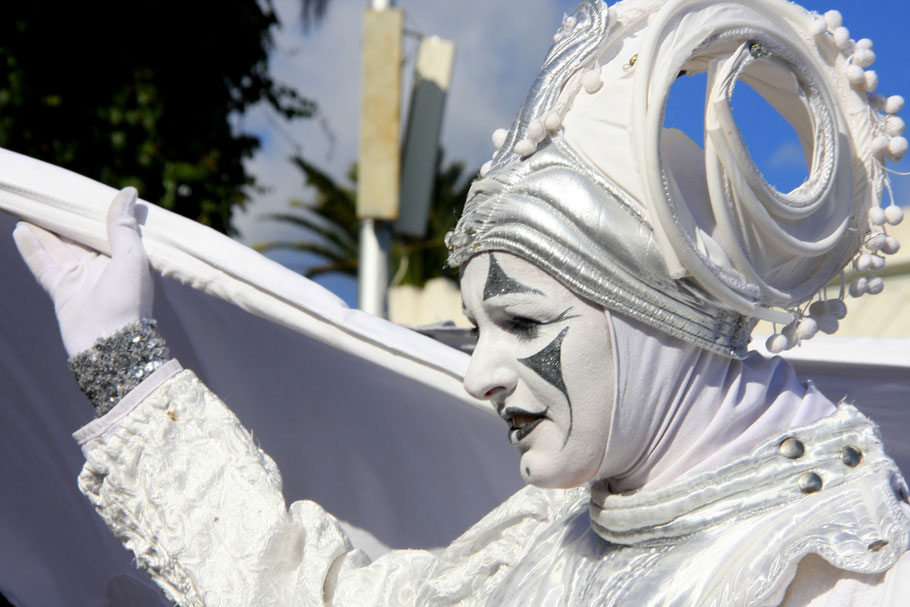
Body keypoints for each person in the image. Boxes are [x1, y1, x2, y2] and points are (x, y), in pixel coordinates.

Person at [11, 0, 910, 604]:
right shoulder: (552, 536)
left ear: (656, 319)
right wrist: (120, 356)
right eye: (482, 328)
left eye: (523, 321)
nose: (479, 371)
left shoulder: (843, 570)